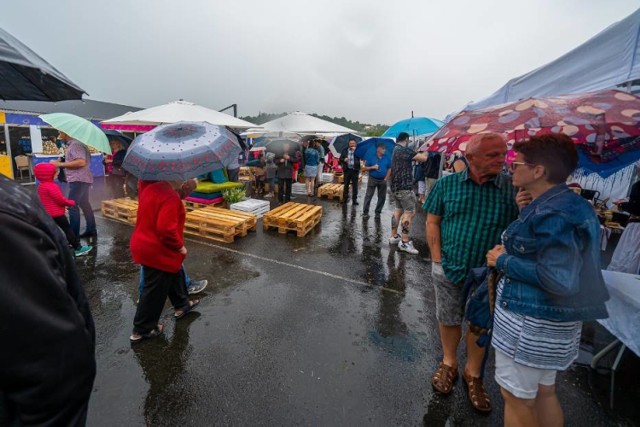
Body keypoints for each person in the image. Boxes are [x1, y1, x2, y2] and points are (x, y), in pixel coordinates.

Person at [486, 134, 609, 427]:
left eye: (514, 164)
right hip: (551, 321)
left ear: (538, 170)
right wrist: (525, 210)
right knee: (543, 392)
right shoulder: (561, 203)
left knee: (516, 397)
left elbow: (559, 278)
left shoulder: (554, 211)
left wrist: (502, 261)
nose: (510, 169)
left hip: (532, 324)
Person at [423, 132, 523, 412]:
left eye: (503, 154)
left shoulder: (512, 189)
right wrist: (437, 260)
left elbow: (523, 229)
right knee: (449, 317)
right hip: (449, 265)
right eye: (492, 155)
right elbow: (433, 221)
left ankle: (473, 374)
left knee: (481, 324)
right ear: (470, 157)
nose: (500, 160)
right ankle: (449, 362)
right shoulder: (447, 185)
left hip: (490, 274)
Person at [0, 174, 96, 425]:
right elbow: (55, 373)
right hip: (59, 215)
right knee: (68, 234)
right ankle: (80, 246)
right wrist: (71, 202)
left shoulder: (23, 202)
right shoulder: (23, 202)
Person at [129, 180, 200, 343]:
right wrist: (180, 247)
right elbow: (166, 230)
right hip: (156, 251)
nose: (187, 195)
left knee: (173, 272)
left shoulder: (152, 188)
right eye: (189, 190)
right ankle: (142, 329)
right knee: (154, 290)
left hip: (145, 243)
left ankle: (182, 305)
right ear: (182, 185)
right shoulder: (171, 198)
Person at [34, 163, 92, 257]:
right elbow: (60, 200)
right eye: (55, 172)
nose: (57, 174)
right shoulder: (52, 186)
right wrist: (71, 203)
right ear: (49, 175)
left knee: (50, 231)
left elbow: (49, 201)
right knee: (68, 230)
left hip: (48, 214)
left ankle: (50, 249)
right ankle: (78, 248)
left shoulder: (41, 186)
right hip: (57, 214)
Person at [50, 131, 97, 239]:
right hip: (82, 179)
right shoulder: (75, 144)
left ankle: (73, 237)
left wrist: (59, 164)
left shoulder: (75, 144)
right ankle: (91, 229)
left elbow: (81, 162)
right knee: (84, 203)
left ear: (66, 133)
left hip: (78, 179)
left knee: (72, 206)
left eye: (60, 131)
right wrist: (63, 159)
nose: (58, 132)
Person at [389, 132, 429, 255]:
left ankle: (394, 236)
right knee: (409, 213)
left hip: (395, 186)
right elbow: (423, 158)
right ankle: (405, 242)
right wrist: (427, 148)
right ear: (406, 139)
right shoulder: (403, 150)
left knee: (398, 211)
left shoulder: (396, 149)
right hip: (404, 187)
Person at [362, 142, 392, 217]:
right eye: (383, 148)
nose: (384, 150)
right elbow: (364, 168)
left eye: (385, 148)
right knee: (368, 195)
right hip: (372, 179)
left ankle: (378, 212)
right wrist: (372, 167)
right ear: (378, 149)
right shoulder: (371, 157)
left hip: (383, 180)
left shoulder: (387, 157)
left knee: (382, 197)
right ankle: (365, 212)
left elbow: (389, 168)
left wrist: (386, 178)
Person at [340, 138, 362, 204]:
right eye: (350, 143)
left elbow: (362, 158)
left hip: (355, 170)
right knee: (346, 185)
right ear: (348, 144)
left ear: (355, 144)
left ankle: (354, 200)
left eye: (353, 143)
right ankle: (344, 199)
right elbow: (340, 158)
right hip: (347, 170)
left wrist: (357, 152)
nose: (352, 144)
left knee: (355, 186)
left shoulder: (358, 150)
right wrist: (344, 159)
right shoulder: (344, 150)